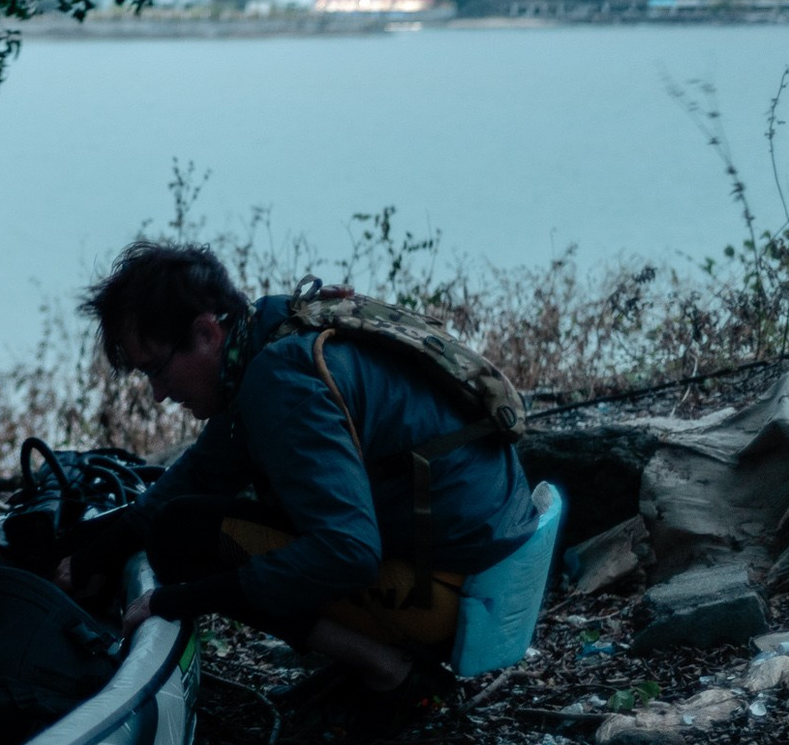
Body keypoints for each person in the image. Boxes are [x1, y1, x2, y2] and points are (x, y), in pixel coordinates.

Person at [66, 239, 537, 696]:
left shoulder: (280, 380)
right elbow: (208, 468)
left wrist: (175, 601)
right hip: (495, 552)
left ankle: (392, 673)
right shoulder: (270, 327)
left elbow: (347, 552)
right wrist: (101, 549)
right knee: (189, 520)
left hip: (449, 595)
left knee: (184, 537)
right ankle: (370, 664)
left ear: (207, 332)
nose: (158, 394)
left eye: (156, 369)